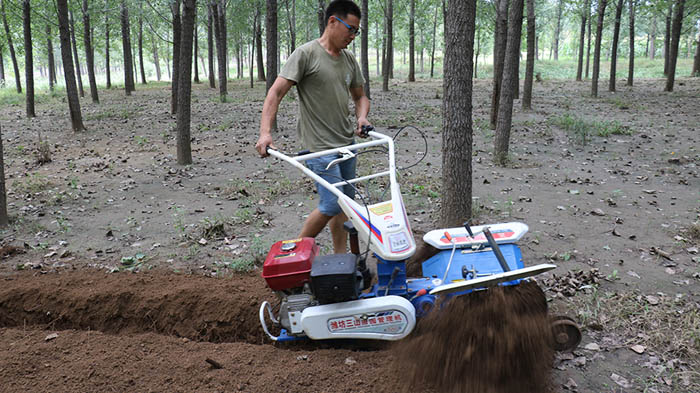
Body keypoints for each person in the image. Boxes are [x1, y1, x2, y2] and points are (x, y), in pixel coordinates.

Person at [255, 0, 370, 254]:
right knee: (331, 204)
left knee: (346, 205)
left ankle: (343, 260)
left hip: (346, 145)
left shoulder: (349, 59)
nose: (353, 36)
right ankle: (292, 254)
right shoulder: (306, 54)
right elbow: (275, 93)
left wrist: (362, 117)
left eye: (356, 31)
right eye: (350, 29)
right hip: (318, 148)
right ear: (332, 22)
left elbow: (361, 96)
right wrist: (265, 133)